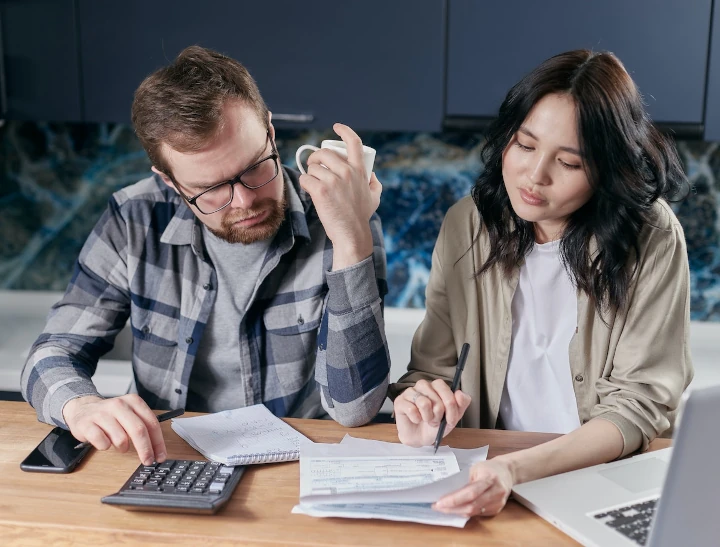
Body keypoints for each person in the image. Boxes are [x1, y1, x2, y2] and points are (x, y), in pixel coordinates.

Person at [21, 46, 390, 466]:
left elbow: (355, 408)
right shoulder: (134, 218)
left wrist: (351, 240)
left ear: (270, 132)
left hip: (295, 467)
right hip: (170, 461)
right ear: (170, 181)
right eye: (211, 188)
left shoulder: (343, 216)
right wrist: (80, 406)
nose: (245, 201)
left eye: (254, 167)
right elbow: (51, 354)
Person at [389, 49, 693, 518]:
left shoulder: (650, 235)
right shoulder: (467, 225)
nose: (535, 176)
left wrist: (517, 469)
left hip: (601, 480)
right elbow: (432, 370)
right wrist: (420, 409)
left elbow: (639, 405)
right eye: (525, 145)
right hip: (488, 476)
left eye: (569, 163)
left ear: (606, 169)